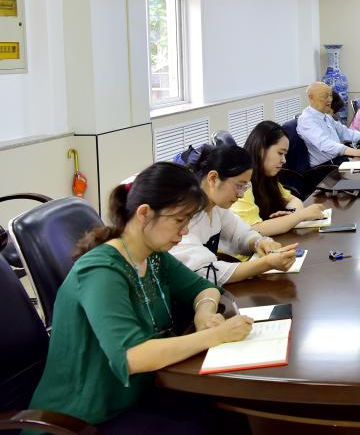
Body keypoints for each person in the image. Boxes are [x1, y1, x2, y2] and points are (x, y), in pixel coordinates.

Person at [29, 162, 254, 432]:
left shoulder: (154, 256)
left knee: (230, 413)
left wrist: (204, 313)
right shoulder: (101, 271)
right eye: (179, 221)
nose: (184, 232)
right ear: (145, 213)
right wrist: (216, 335)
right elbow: (132, 356)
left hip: (141, 392)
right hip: (85, 417)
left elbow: (204, 288)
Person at [171, 145, 298, 284]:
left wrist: (259, 243)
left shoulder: (216, 208)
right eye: (239, 185)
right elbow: (208, 272)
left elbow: (241, 234)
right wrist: (267, 263)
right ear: (213, 178)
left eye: (245, 187)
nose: (241, 194)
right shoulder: (183, 218)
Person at [231, 121, 328, 236]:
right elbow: (252, 230)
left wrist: (289, 216)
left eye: (285, 155)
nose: (284, 160)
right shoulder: (242, 180)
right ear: (261, 149)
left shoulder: (267, 177)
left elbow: (294, 200)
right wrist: (299, 216)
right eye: (280, 153)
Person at [297, 82, 360, 164]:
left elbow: (344, 132)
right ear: (311, 97)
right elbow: (325, 144)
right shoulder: (306, 120)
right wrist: (357, 152)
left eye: (330, 95)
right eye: (325, 96)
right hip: (326, 167)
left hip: (338, 159)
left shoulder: (325, 116)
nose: (330, 99)